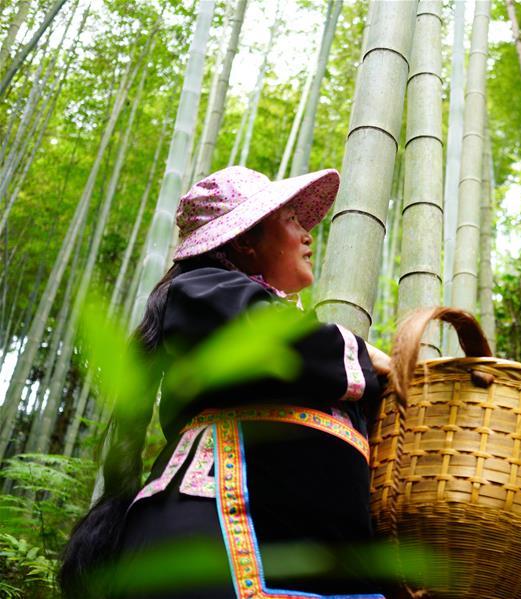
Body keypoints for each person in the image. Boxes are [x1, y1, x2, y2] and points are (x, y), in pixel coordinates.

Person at [60, 166, 391, 598]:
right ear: (245, 241)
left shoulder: (287, 325)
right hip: (216, 536)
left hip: (308, 555)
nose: (308, 235)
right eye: (292, 220)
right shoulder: (203, 293)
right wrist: (370, 356)